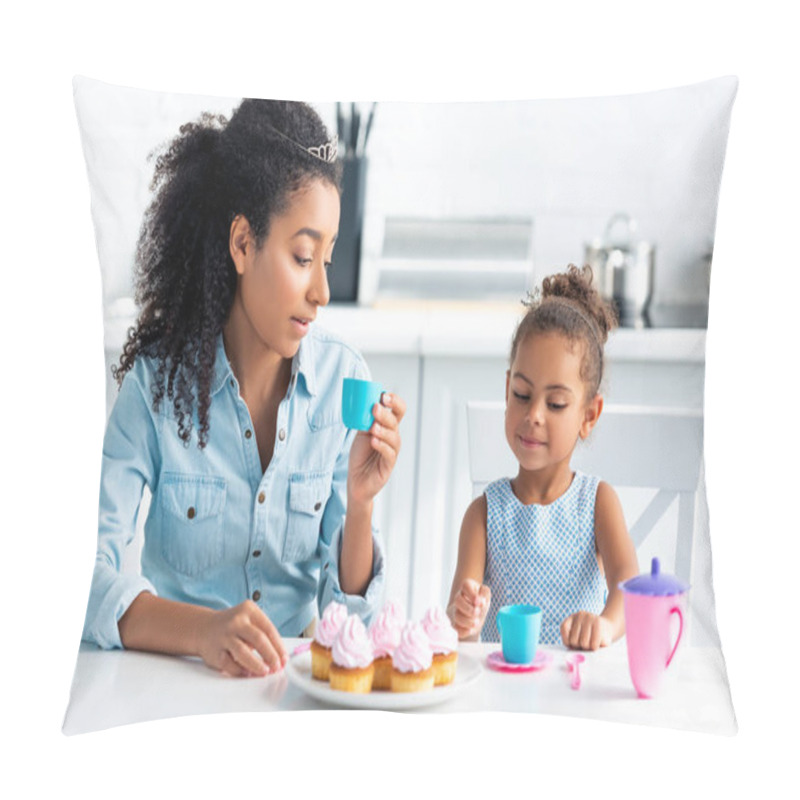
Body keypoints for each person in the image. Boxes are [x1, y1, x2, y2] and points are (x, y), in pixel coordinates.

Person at [82, 98, 406, 678]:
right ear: (242, 243)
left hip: (293, 690)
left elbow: (347, 617)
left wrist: (360, 506)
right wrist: (202, 632)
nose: (322, 292)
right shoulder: (156, 386)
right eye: (304, 256)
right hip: (176, 682)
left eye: (327, 260)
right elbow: (82, 576)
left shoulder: (343, 383)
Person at [447, 264, 638, 650]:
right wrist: (463, 619)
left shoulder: (597, 503)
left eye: (555, 403)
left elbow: (628, 588)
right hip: (503, 698)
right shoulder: (483, 517)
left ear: (588, 415)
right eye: (521, 395)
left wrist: (603, 625)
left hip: (574, 695)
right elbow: (461, 635)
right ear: (506, 391)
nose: (534, 414)